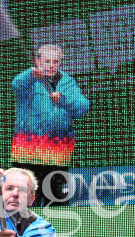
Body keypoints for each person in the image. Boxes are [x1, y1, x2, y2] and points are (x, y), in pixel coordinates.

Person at [10, 44, 89, 206]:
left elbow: (83, 107)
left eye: (56, 61)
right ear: (37, 61)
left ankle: (58, 230)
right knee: (26, 199)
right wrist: (30, 75)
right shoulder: (29, 80)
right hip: (29, 151)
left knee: (57, 198)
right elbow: (16, 85)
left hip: (58, 150)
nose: (52, 65)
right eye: (47, 61)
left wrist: (63, 100)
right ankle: (24, 231)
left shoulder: (67, 82)